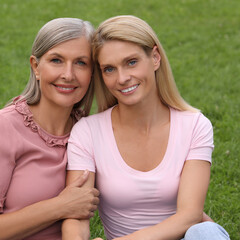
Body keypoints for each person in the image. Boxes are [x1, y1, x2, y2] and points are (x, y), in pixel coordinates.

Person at [62, 15, 230, 240]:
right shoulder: (88, 132)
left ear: (155, 58)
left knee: (205, 231)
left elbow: (190, 215)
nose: (122, 78)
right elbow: (76, 214)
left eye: (131, 62)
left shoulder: (194, 125)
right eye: (109, 69)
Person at [0, 17, 100, 240]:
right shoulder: (5, 126)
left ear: (92, 73)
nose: (68, 74)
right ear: (36, 66)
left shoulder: (87, 130)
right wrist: (60, 206)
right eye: (56, 60)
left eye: (81, 62)